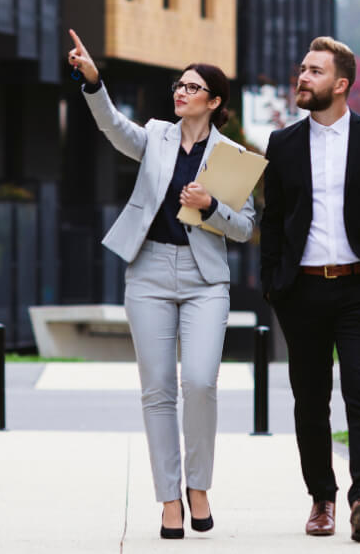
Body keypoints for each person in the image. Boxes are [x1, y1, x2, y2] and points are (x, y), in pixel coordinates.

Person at [67, 29, 257, 539]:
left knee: (199, 382)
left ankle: (200, 486)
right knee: (156, 392)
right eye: (179, 85)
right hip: (148, 270)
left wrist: (211, 207)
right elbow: (112, 127)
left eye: (193, 88)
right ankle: (170, 499)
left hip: (205, 280)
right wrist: (93, 81)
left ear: (215, 102)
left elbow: (244, 228)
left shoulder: (234, 156)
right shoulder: (155, 135)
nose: (181, 92)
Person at [259, 36, 360, 543]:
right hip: (301, 291)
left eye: (315, 71)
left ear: (341, 84)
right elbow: (275, 219)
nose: (302, 77)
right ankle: (321, 499)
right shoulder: (282, 144)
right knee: (310, 399)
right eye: (302, 69)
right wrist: (274, 285)